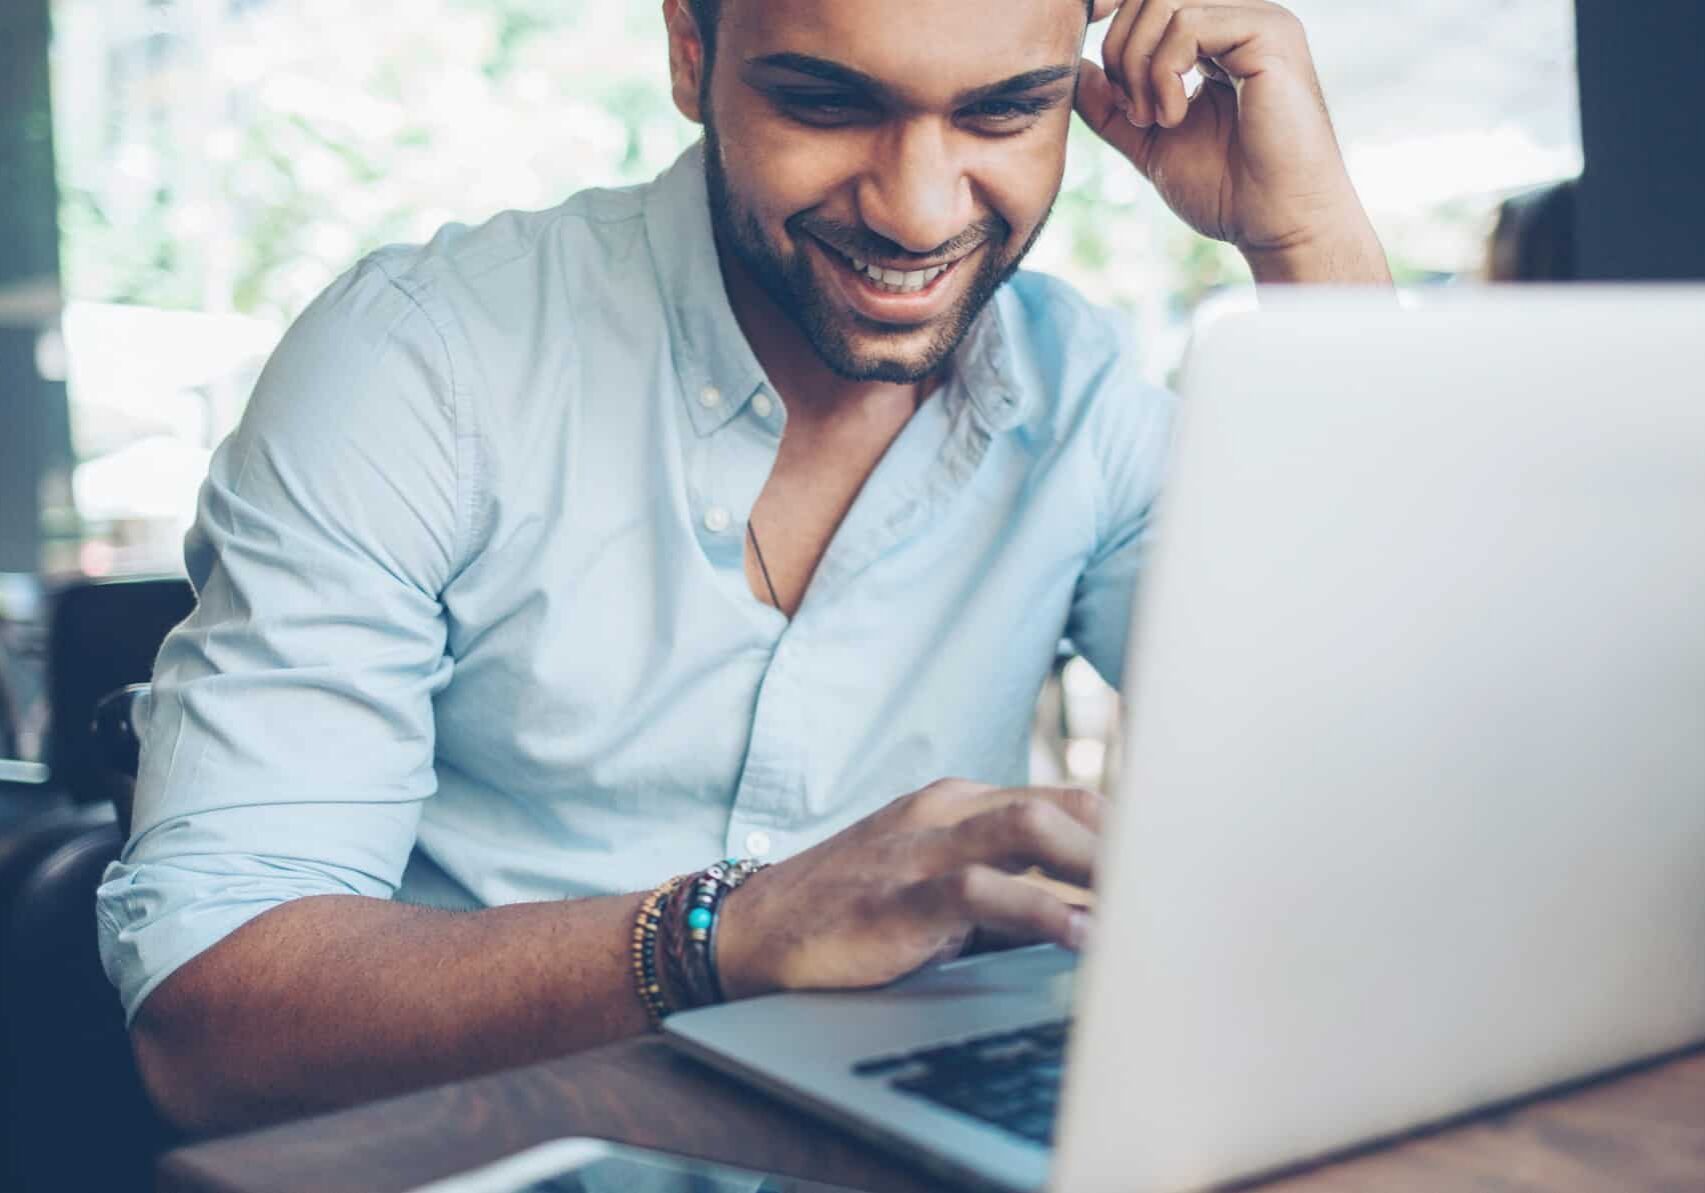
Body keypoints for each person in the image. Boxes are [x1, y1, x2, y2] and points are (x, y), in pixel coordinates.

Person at [97, 0, 1390, 1133]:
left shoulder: (1083, 405)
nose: (918, 206)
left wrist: (1306, 241)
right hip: (484, 1156)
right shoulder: (419, 366)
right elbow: (207, 1021)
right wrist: (724, 932)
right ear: (688, 47)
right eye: (828, 104)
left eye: (1004, 113)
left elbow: (1379, 776)